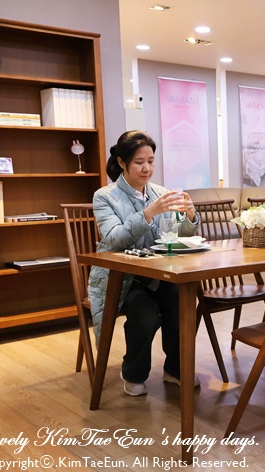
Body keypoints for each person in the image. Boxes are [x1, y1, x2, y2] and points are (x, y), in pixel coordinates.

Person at [88, 130, 201, 396]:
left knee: (182, 302)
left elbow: (178, 236)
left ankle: (175, 369)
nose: (146, 168)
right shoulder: (104, 196)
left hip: (159, 274)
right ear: (121, 162)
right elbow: (114, 238)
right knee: (145, 313)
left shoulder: (160, 192)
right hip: (121, 279)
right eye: (139, 162)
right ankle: (134, 373)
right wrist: (148, 213)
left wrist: (190, 215)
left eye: (150, 161)